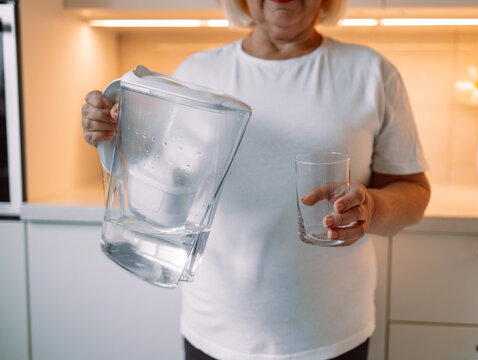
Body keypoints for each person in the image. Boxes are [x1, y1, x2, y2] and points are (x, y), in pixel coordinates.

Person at [81, 0, 431, 359]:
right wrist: (114, 133)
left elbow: (413, 194)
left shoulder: (371, 72)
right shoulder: (197, 75)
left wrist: (372, 208)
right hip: (214, 329)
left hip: (332, 332)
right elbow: (161, 181)